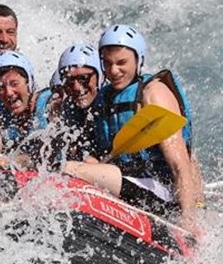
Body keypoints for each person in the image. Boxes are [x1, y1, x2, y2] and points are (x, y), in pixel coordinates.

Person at [62, 24, 204, 234]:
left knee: (68, 169)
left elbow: (179, 163)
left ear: (139, 59)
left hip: (161, 189)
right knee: (76, 167)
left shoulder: (153, 93)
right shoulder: (104, 98)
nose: (113, 71)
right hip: (129, 181)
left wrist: (189, 219)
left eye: (121, 63)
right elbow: (97, 154)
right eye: (107, 64)